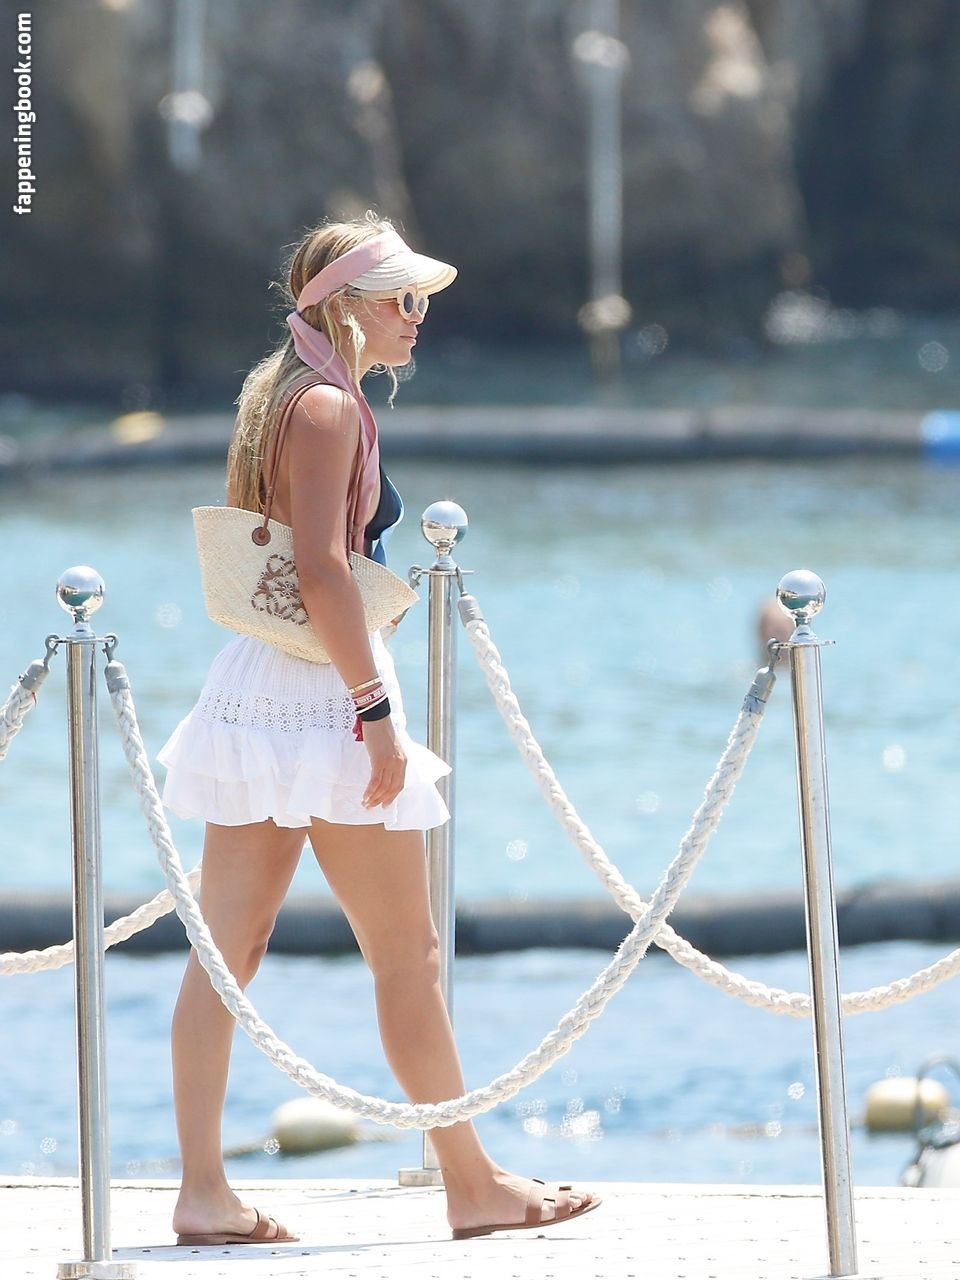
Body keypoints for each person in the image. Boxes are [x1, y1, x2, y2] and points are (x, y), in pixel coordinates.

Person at [157, 215, 600, 1244]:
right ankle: (472, 1186)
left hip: (258, 688)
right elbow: (322, 570)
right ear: (347, 307)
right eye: (402, 299)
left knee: (228, 951)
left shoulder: (285, 392)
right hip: (325, 696)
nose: (418, 315)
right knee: (408, 955)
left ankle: (204, 1192)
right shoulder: (326, 408)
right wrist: (377, 714)